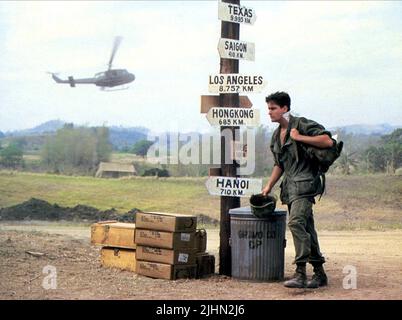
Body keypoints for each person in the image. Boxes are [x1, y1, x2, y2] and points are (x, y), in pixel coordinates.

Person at [262, 92, 334, 289]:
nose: (269, 112)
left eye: (273, 108)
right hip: (290, 188)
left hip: (305, 185)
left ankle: (300, 272)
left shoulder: (301, 125)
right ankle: (320, 274)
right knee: (307, 228)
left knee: (295, 223)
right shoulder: (276, 135)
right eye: (268, 108)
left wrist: (300, 137)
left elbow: (327, 141)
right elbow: (280, 164)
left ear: (285, 108)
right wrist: (268, 186)